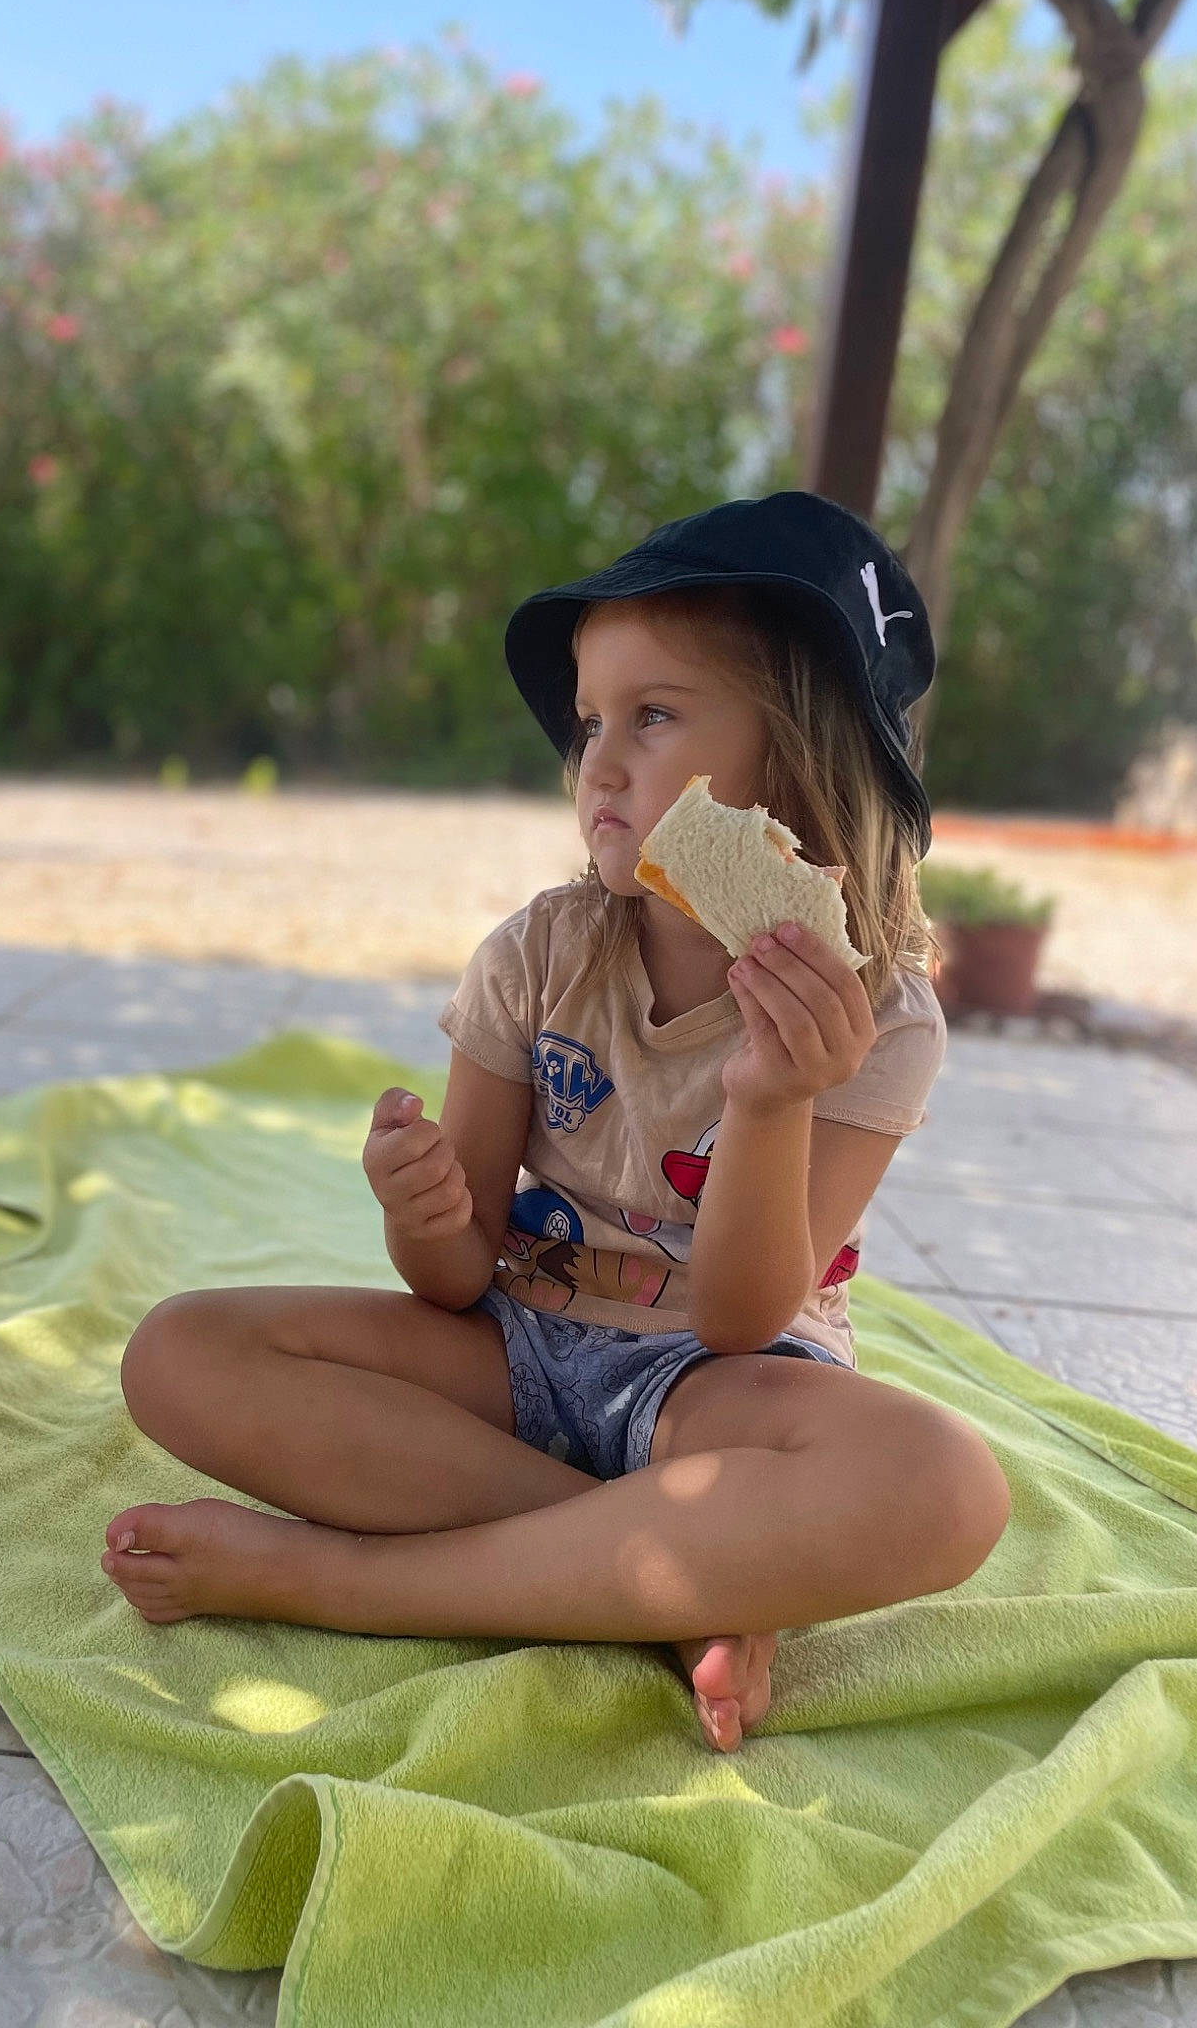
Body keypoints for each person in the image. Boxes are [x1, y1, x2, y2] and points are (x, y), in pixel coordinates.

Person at [101, 491, 1013, 1754]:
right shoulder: (541, 951)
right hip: (518, 1343)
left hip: (722, 1386)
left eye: (653, 715)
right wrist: (419, 1212)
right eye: (591, 722)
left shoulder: (876, 1013)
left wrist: (770, 1096)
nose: (599, 762)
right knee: (177, 1352)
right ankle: (673, 1574)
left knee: (947, 1487)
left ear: (800, 750)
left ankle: (345, 1582)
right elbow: (455, 1270)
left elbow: (745, 1317)